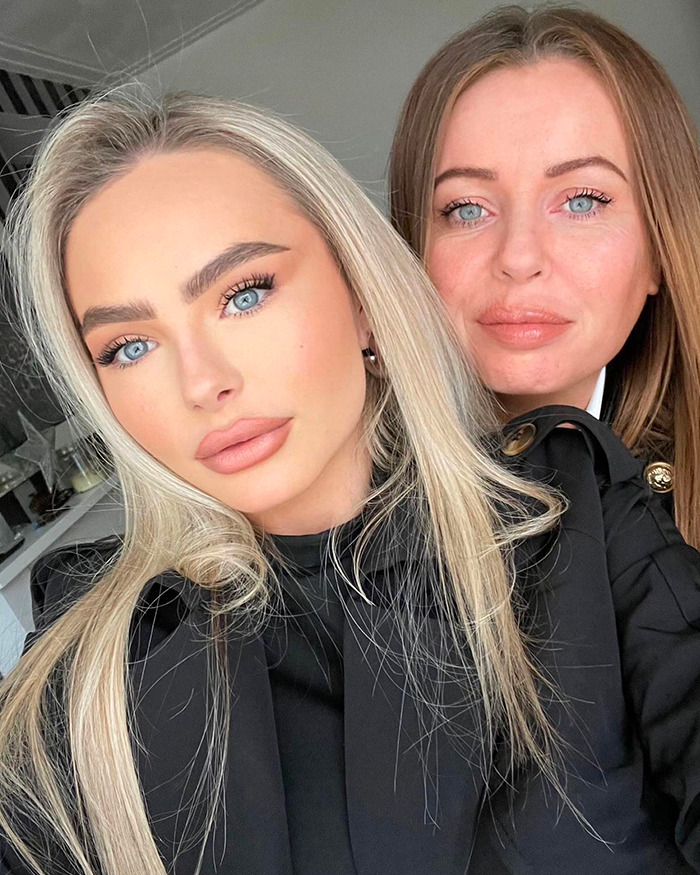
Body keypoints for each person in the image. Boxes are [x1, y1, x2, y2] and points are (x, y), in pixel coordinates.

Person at [1, 90, 700, 875]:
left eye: (244, 293)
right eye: (130, 346)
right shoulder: (92, 671)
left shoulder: (568, 513)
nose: (203, 382)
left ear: (363, 298)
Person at [389, 3, 700, 546]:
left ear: (658, 250)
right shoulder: (340, 509)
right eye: (466, 208)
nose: (518, 255)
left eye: (582, 201)